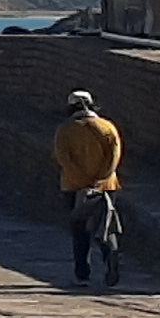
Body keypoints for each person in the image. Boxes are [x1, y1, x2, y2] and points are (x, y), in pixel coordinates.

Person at [54, 90, 124, 289]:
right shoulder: (108, 127)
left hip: (74, 187)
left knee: (80, 231)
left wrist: (84, 182)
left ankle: (82, 274)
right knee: (105, 225)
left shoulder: (65, 130)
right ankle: (110, 258)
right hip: (106, 187)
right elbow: (114, 158)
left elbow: (64, 159)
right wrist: (100, 180)